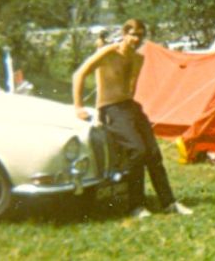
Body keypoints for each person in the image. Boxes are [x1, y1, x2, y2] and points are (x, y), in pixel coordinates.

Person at [73, 18, 192, 219]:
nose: (137, 39)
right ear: (124, 34)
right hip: (110, 107)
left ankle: (168, 202)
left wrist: (130, 108)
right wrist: (78, 107)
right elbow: (79, 74)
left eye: (140, 36)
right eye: (133, 34)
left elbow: (131, 87)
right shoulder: (109, 53)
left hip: (129, 106)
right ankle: (135, 205)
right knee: (138, 150)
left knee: (153, 153)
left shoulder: (139, 59)